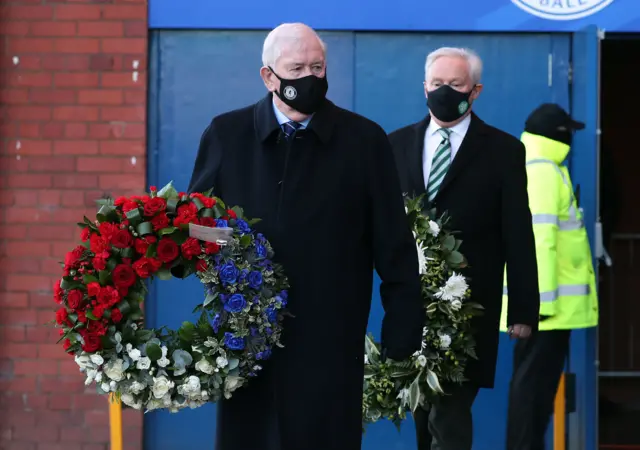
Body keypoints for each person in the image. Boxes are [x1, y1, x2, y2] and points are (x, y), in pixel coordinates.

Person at [187, 23, 424, 450]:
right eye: (296, 67)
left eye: (318, 67)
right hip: (250, 334)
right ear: (268, 76)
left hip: (330, 336)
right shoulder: (227, 133)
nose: (309, 78)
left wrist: (403, 322)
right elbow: (195, 229)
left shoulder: (364, 140)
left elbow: (392, 239)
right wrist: (237, 249)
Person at [387, 47, 540, 450]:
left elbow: (518, 233)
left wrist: (524, 310)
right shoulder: (395, 145)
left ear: (475, 91)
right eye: (437, 84)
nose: (444, 91)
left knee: (450, 416)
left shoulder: (504, 150)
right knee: (422, 415)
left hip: (470, 309)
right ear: (424, 86)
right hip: (410, 308)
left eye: (455, 85)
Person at [501, 103, 599, 450]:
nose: (572, 137)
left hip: (548, 312)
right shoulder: (541, 170)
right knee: (532, 391)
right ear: (557, 134)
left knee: (537, 391)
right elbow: (537, 240)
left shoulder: (541, 166)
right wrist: (536, 307)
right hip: (545, 313)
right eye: (568, 131)